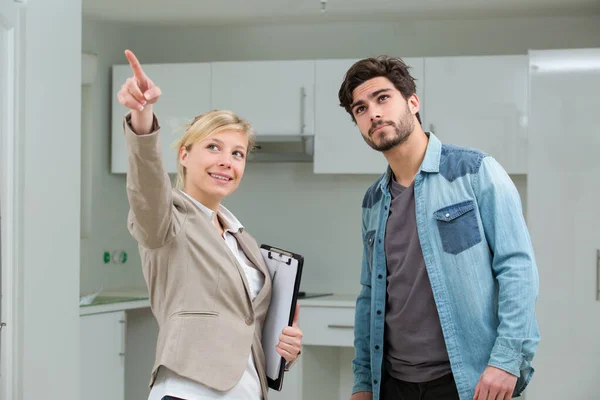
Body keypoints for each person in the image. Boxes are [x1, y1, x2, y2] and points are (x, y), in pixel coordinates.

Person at [338, 56, 539, 400]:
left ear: (413, 102)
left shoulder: (475, 171)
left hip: (469, 381)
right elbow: (369, 294)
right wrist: (363, 382)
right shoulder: (373, 200)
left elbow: (517, 268)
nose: (373, 113)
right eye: (360, 108)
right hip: (393, 384)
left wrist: (506, 361)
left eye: (383, 98)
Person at [117, 49, 302, 400]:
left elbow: (246, 327)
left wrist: (284, 346)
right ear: (185, 154)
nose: (226, 162)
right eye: (214, 147)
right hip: (188, 391)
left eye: (237, 153)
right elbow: (147, 185)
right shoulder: (165, 218)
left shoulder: (242, 239)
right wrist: (142, 116)